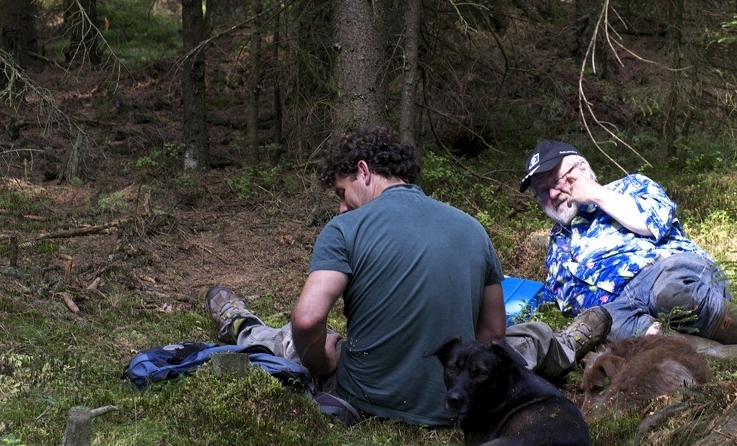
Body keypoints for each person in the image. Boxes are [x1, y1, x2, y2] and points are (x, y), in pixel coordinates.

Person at [206, 126, 612, 427]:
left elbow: (308, 318)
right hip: (458, 396)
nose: (342, 207)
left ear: (364, 171)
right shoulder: (473, 228)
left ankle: (240, 323)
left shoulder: (344, 229)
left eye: (342, 193)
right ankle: (568, 344)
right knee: (528, 339)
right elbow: (492, 335)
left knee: (287, 341)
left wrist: (322, 361)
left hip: (364, 397)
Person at [519, 140, 737, 360]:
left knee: (669, 293)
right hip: (621, 307)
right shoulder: (557, 245)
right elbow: (568, 301)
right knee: (620, 331)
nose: (552, 194)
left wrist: (594, 193)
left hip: (666, 270)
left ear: (582, 169)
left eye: (557, 181)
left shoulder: (630, 186)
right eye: (542, 191)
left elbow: (650, 223)